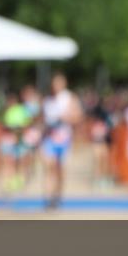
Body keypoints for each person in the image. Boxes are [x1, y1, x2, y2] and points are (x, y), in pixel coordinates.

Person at [41, 73, 79, 209]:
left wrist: (65, 118)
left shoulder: (69, 98)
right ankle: (48, 198)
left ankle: (58, 195)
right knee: (49, 167)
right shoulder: (47, 100)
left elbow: (77, 117)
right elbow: (42, 119)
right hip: (49, 139)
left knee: (60, 170)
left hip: (64, 139)